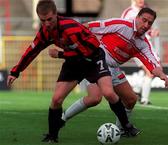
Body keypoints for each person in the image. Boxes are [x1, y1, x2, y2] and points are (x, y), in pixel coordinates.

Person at [6, 0, 136, 143]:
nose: (47, 24)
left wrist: (60, 54)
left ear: (56, 14)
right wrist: (15, 71)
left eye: (49, 19)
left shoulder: (70, 28)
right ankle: (52, 135)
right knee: (56, 99)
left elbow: (91, 48)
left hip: (93, 58)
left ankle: (127, 127)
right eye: (43, 21)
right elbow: (32, 51)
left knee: (109, 93)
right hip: (74, 63)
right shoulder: (44, 32)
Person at [49, 7, 168, 136]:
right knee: (94, 98)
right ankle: (62, 119)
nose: (146, 25)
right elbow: (91, 26)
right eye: (144, 20)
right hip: (97, 62)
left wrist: (162, 75)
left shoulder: (143, 44)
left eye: (150, 23)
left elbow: (152, 63)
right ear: (137, 18)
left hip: (113, 68)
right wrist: (70, 37)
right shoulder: (121, 25)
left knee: (130, 99)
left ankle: (120, 130)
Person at [121, 0, 160, 105]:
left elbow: (147, 29)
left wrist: (153, 32)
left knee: (154, 69)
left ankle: (137, 90)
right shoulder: (129, 12)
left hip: (147, 46)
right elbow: (124, 28)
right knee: (151, 70)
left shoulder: (147, 11)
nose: (141, 1)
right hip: (136, 46)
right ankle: (144, 99)